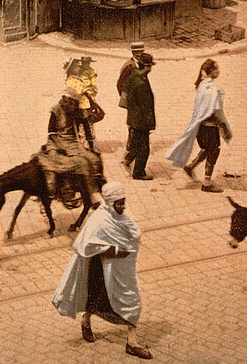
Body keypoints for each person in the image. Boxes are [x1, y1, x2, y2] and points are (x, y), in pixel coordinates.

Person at [52, 182, 152, 359]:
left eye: (123, 202)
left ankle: (132, 342)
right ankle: (86, 321)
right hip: (102, 267)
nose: (122, 206)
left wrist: (128, 246)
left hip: (123, 270)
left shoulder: (124, 216)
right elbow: (85, 244)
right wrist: (114, 250)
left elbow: (133, 234)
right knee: (96, 297)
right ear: (110, 203)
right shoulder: (99, 220)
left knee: (132, 300)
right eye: (118, 203)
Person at [166, 59, 232, 192]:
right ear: (211, 71)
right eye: (216, 69)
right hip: (210, 127)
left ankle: (190, 167)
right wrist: (225, 127)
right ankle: (207, 183)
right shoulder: (213, 89)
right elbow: (217, 112)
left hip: (200, 128)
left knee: (207, 149)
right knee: (213, 151)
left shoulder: (202, 85)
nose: (219, 71)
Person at [39, 87, 100, 198]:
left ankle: (91, 191)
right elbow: (51, 132)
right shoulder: (56, 110)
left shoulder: (78, 111)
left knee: (93, 160)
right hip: (56, 142)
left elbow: (87, 129)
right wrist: (59, 146)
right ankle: (50, 192)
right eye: (67, 102)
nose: (68, 106)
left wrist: (91, 147)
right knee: (51, 165)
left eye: (72, 104)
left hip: (72, 141)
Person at [123, 53, 156, 181]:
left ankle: (128, 160)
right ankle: (138, 172)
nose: (151, 69)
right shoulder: (141, 82)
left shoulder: (134, 76)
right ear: (145, 66)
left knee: (136, 143)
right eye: (149, 67)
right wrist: (150, 125)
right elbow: (146, 107)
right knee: (144, 148)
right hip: (141, 121)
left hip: (133, 117)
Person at [66, 57, 96, 149]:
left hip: (85, 106)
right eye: (77, 67)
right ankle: (85, 146)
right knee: (82, 128)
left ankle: (89, 145)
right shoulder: (71, 80)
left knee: (87, 127)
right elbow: (76, 93)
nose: (79, 68)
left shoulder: (78, 78)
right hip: (79, 108)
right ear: (71, 69)